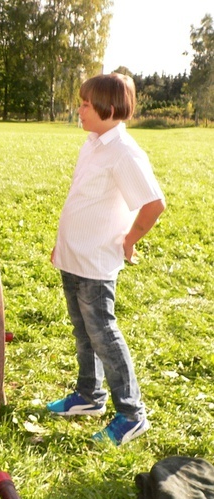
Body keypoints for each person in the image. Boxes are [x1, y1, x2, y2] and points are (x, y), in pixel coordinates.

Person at [47, 73, 165, 446]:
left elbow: (153, 204)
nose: (79, 109)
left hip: (97, 262)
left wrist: (131, 239)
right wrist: (62, 244)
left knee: (104, 336)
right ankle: (89, 396)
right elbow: (83, 199)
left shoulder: (125, 152)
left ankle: (131, 414)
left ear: (109, 109)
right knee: (84, 332)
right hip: (74, 256)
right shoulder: (93, 143)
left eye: (85, 104)